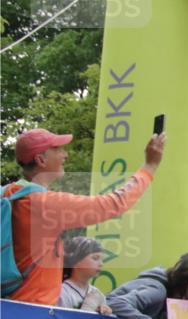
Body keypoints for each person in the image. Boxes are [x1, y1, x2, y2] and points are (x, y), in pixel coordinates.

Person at [3, 128, 165, 305]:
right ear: (41, 160)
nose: (65, 155)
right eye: (58, 149)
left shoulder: (8, 193)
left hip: (10, 304)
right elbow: (114, 203)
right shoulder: (43, 202)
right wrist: (149, 167)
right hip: (34, 308)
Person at [58, 236, 112, 315]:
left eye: (102, 260)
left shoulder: (98, 294)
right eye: (95, 258)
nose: (101, 264)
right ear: (76, 260)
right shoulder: (62, 292)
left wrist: (106, 314)